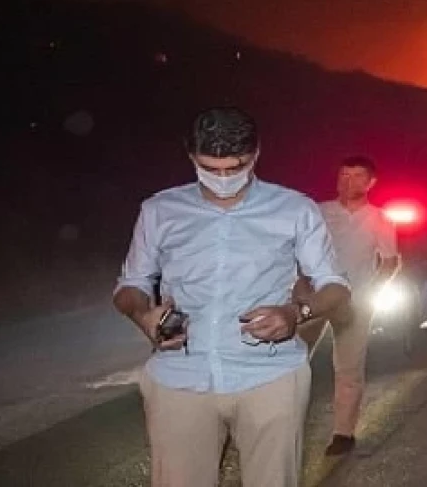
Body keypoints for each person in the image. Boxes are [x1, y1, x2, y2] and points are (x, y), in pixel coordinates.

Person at [113, 106, 350, 487]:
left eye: (235, 167)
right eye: (211, 168)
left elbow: (335, 287)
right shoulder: (159, 210)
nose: (223, 177)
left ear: (256, 155)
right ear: (191, 157)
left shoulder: (294, 209)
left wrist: (296, 312)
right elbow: (130, 285)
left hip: (270, 376)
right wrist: (142, 314)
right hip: (180, 375)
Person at [294, 155, 399, 456]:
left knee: (349, 367)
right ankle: (285, 422)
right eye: (343, 176)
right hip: (314, 297)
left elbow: (390, 261)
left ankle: (343, 431)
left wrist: (371, 293)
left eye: (356, 176)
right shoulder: (319, 211)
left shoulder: (380, 219)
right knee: (292, 359)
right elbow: (298, 252)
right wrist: (300, 288)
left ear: (370, 182)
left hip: (355, 300)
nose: (348, 182)